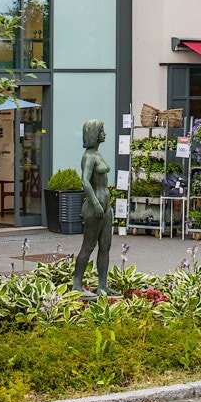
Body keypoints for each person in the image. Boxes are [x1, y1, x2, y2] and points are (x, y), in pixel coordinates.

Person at [71, 119, 113, 295]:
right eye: (102, 131)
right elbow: (85, 181)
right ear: (95, 134)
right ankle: (77, 285)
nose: (104, 134)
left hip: (105, 207)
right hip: (94, 208)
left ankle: (102, 285)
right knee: (88, 246)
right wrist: (95, 203)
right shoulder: (88, 156)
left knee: (105, 246)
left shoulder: (97, 154)